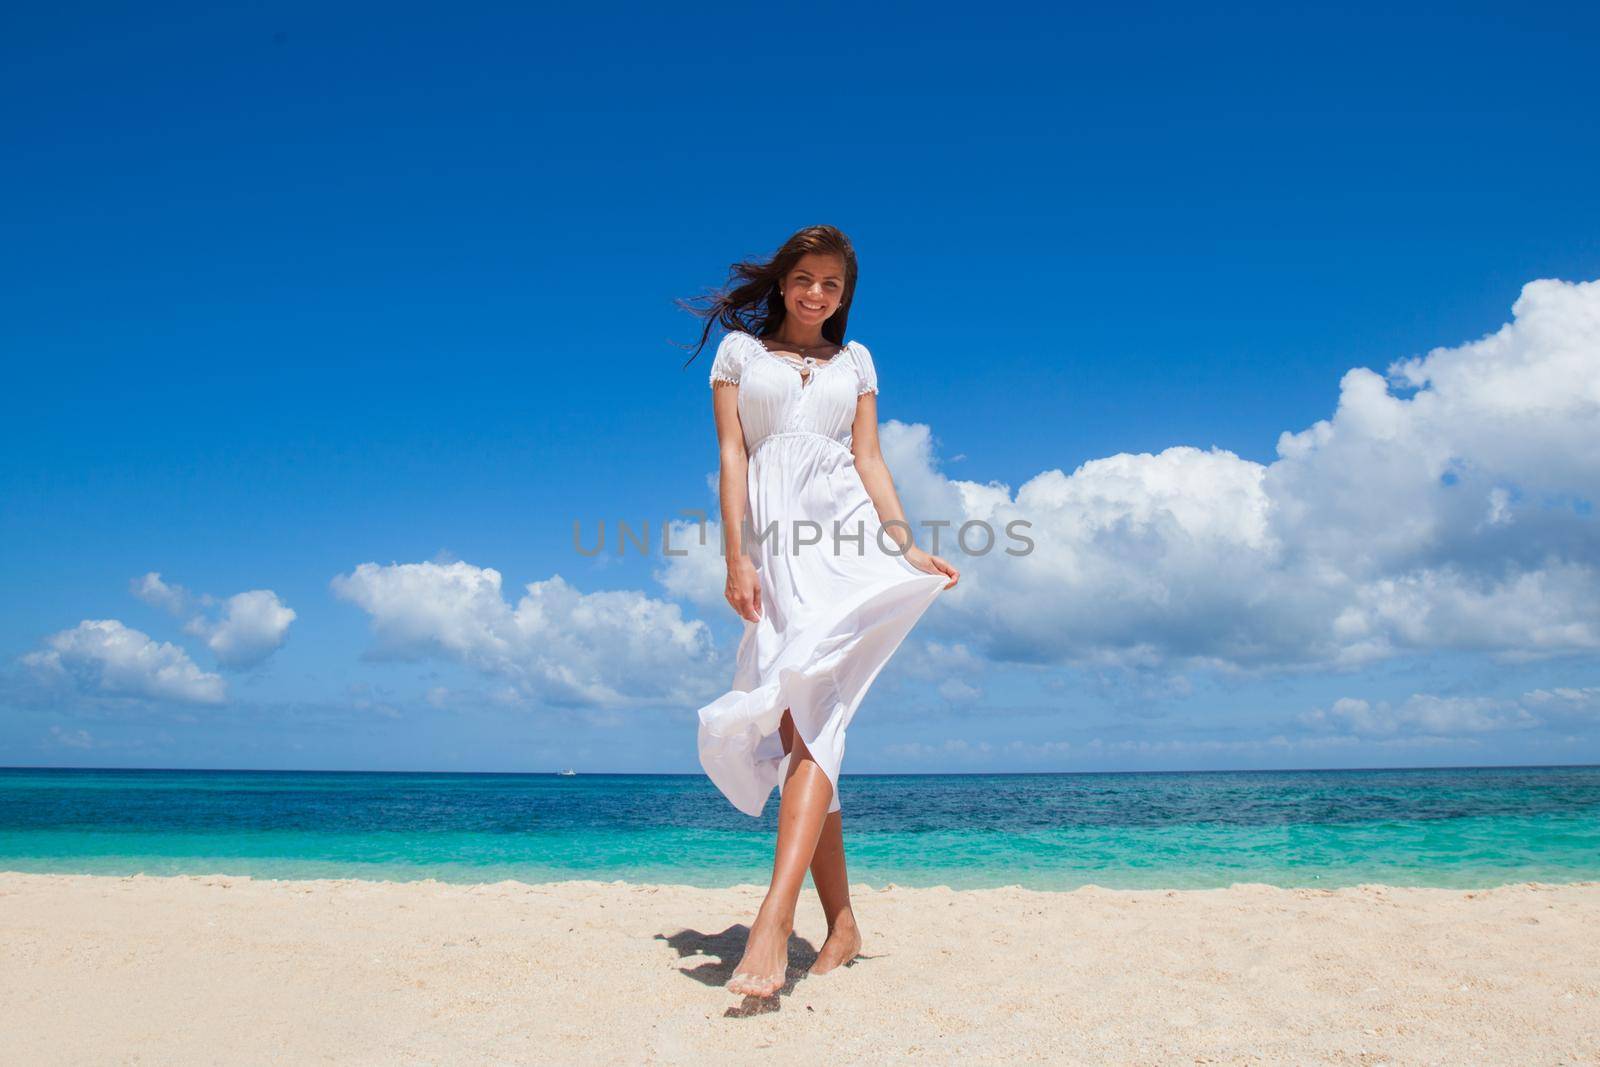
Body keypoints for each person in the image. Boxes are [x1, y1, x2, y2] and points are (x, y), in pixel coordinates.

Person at [679, 224, 959, 998]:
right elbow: (733, 454)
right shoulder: (739, 354)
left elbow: (869, 458)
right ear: (782, 281)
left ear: (844, 295)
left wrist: (907, 549)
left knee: (814, 722)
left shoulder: (858, 361)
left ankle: (777, 914)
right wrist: (736, 555)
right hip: (776, 545)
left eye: (832, 285)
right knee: (805, 723)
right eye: (805, 279)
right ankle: (841, 923)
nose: (816, 294)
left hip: (846, 544)